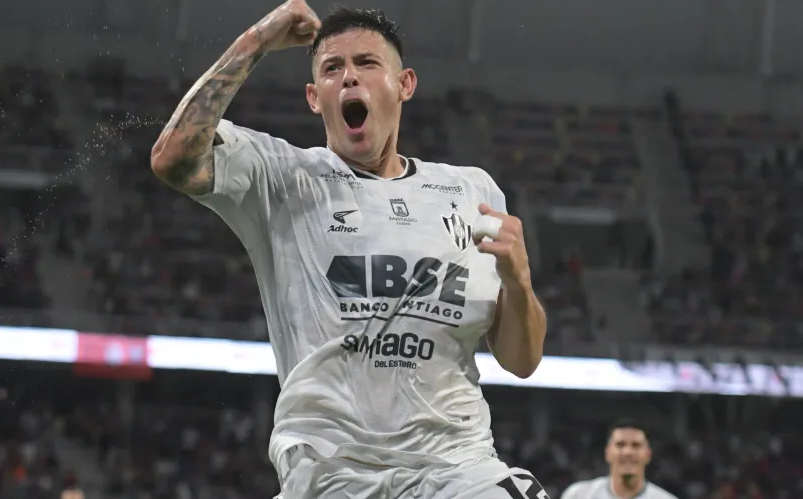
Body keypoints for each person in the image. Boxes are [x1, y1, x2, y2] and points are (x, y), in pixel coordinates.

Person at [150, 1, 548, 498]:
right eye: (332, 68)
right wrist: (257, 41)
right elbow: (172, 158)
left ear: (404, 85)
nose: (350, 77)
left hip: (457, 470)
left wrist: (518, 281)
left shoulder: (472, 192)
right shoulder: (283, 177)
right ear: (314, 98)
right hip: (330, 473)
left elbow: (521, 360)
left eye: (367, 63)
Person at [561, 419, 677, 499]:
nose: (628, 452)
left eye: (636, 445)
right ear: (607, 453)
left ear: (648, 454)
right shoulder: (579, 495)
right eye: (620, 445)